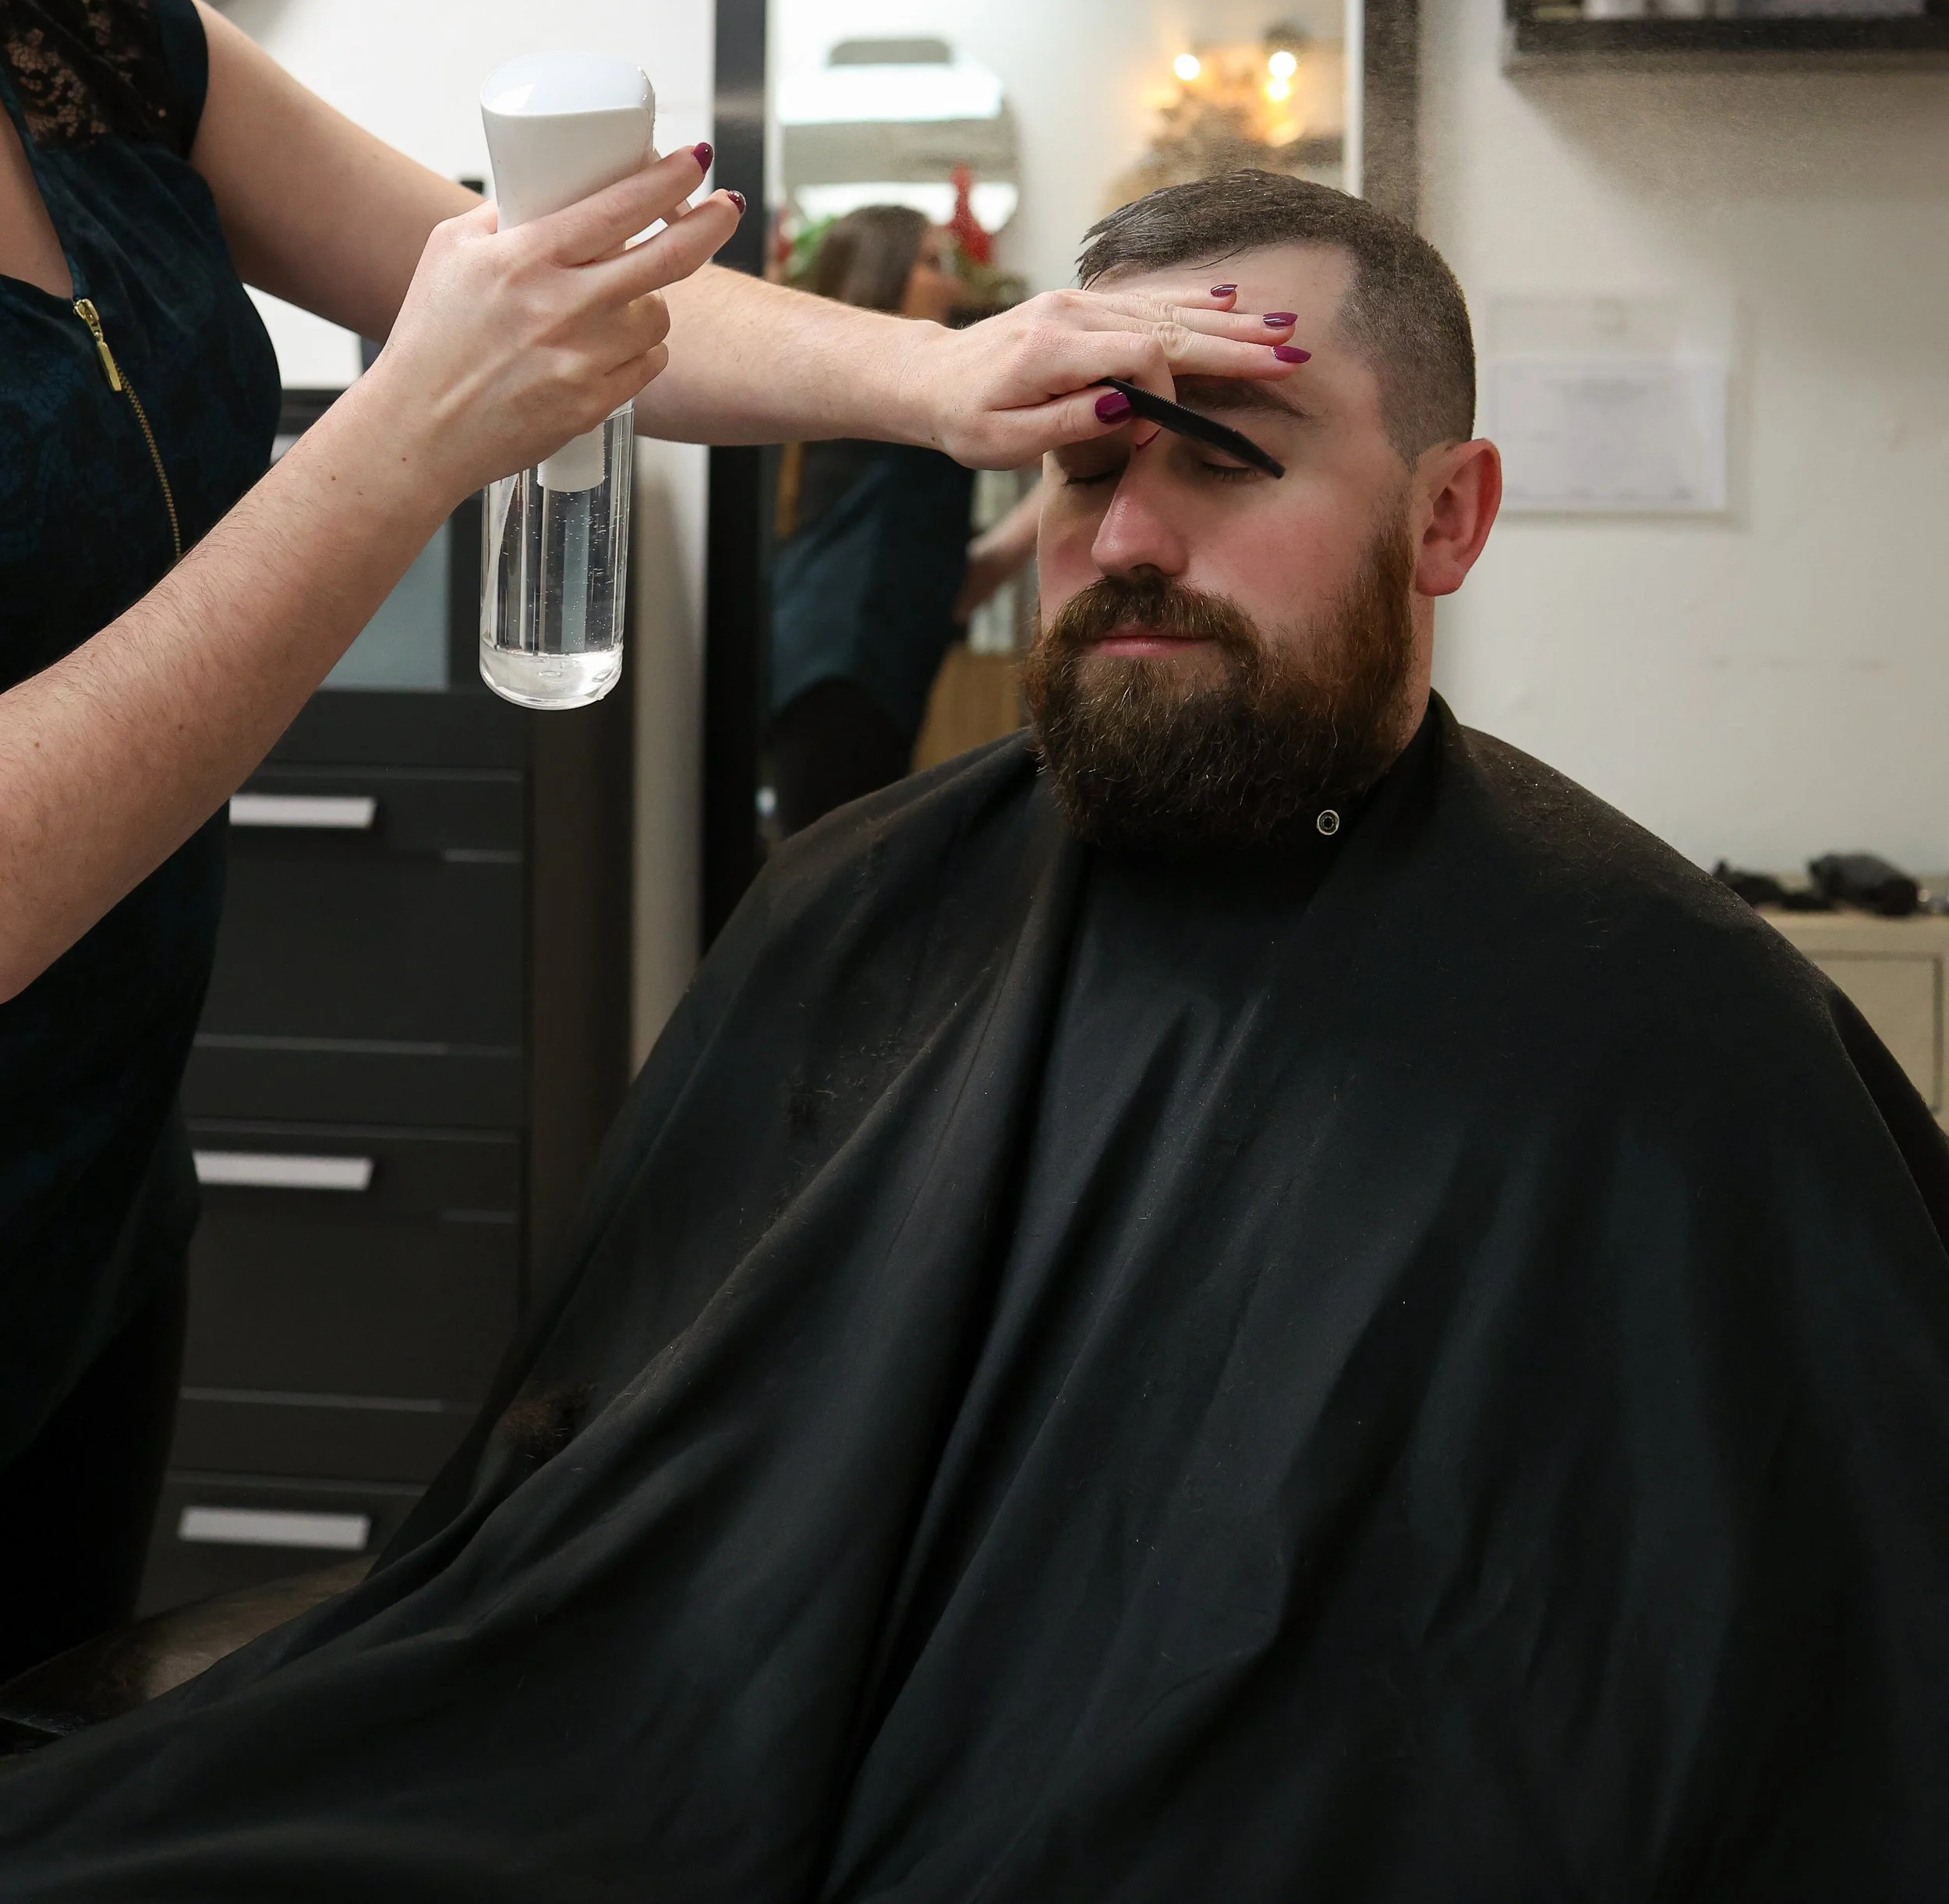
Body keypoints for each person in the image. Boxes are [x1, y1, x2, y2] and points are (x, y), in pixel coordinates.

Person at [5, 165, 1946, 1898]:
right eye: (1093, 463)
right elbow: (599, 1545)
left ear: (1448, 518)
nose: (1127, 538)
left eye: (1232, 452)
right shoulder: (861, 908)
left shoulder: (1670, 1018)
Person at [0, 0, 1300, 1679]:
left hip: (89, 1211)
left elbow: (544, 286)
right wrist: (395, 440)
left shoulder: (81, 22)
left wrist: (942, 375)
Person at [769, 206, 1038, 833]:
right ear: (879, 273)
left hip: (858, 677)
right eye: (931, 263)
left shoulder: (889, 421)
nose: (952, 284)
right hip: (836, 684)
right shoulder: (884, 408)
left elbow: (952, 589)